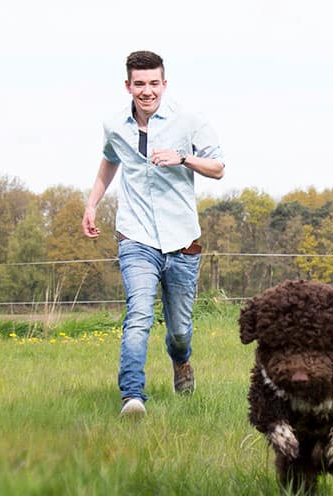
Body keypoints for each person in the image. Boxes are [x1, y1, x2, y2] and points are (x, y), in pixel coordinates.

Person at [83, 50, 225, 417]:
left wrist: (183, 158)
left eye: (154, 83)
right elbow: (109, 161)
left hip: (182, 241)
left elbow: (219, 167)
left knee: (179, 330)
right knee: (139, 315)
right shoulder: (115, 125)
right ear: (128, 86)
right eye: (140, 84)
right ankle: (132, 397)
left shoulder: (188, 120)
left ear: (164, 83)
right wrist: (91, 205)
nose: (147, 91)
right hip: (136, 237)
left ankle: (181, 361)